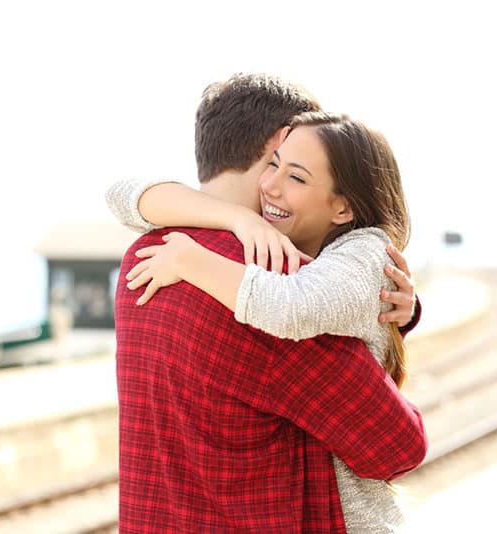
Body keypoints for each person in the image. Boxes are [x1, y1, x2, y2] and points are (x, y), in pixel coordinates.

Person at [112, 73, 427, 533]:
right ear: (278, 144)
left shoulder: (143, 256)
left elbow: (124, 195)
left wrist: (404, 310)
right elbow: (394, 446)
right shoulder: (266, 281)